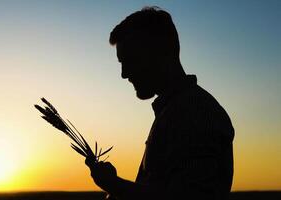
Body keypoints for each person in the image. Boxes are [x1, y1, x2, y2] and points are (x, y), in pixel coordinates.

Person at [85, 6, 234, 200]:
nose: (124, 74)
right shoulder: (175, 110)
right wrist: (115, 187)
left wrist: (114, 185)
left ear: (161, 53)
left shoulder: (195, 112)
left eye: (130, 60)